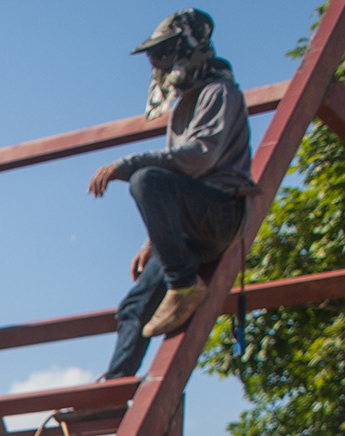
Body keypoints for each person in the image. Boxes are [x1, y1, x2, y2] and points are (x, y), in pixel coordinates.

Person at [89, 9, 254, 377]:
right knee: (135, 305)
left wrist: (127, 164)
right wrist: (153, 242)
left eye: (162, 53)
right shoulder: (184, 106)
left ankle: (183, 284)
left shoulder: (219, 93)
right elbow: (176, 185)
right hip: (189, 229)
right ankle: (113, 390)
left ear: (186, 50)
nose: (156, 63)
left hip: (221, 212)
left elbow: (196, 158)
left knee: (146, 180)